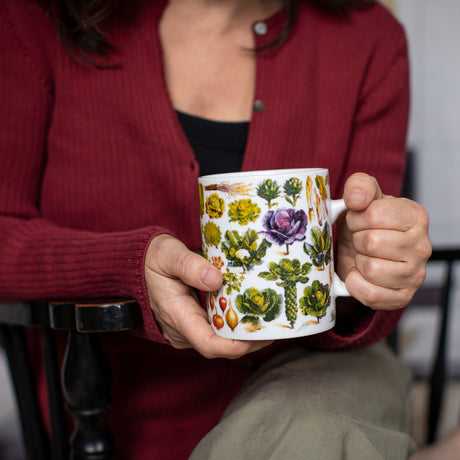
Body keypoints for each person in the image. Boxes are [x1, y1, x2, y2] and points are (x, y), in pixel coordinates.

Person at [0, 0, 432, 458]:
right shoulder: (32, 19)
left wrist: (372, 262)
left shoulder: (369, 38)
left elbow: (365, 252)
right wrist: (126, 270)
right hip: (110, 413)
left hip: (313, 389)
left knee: (306, 429)